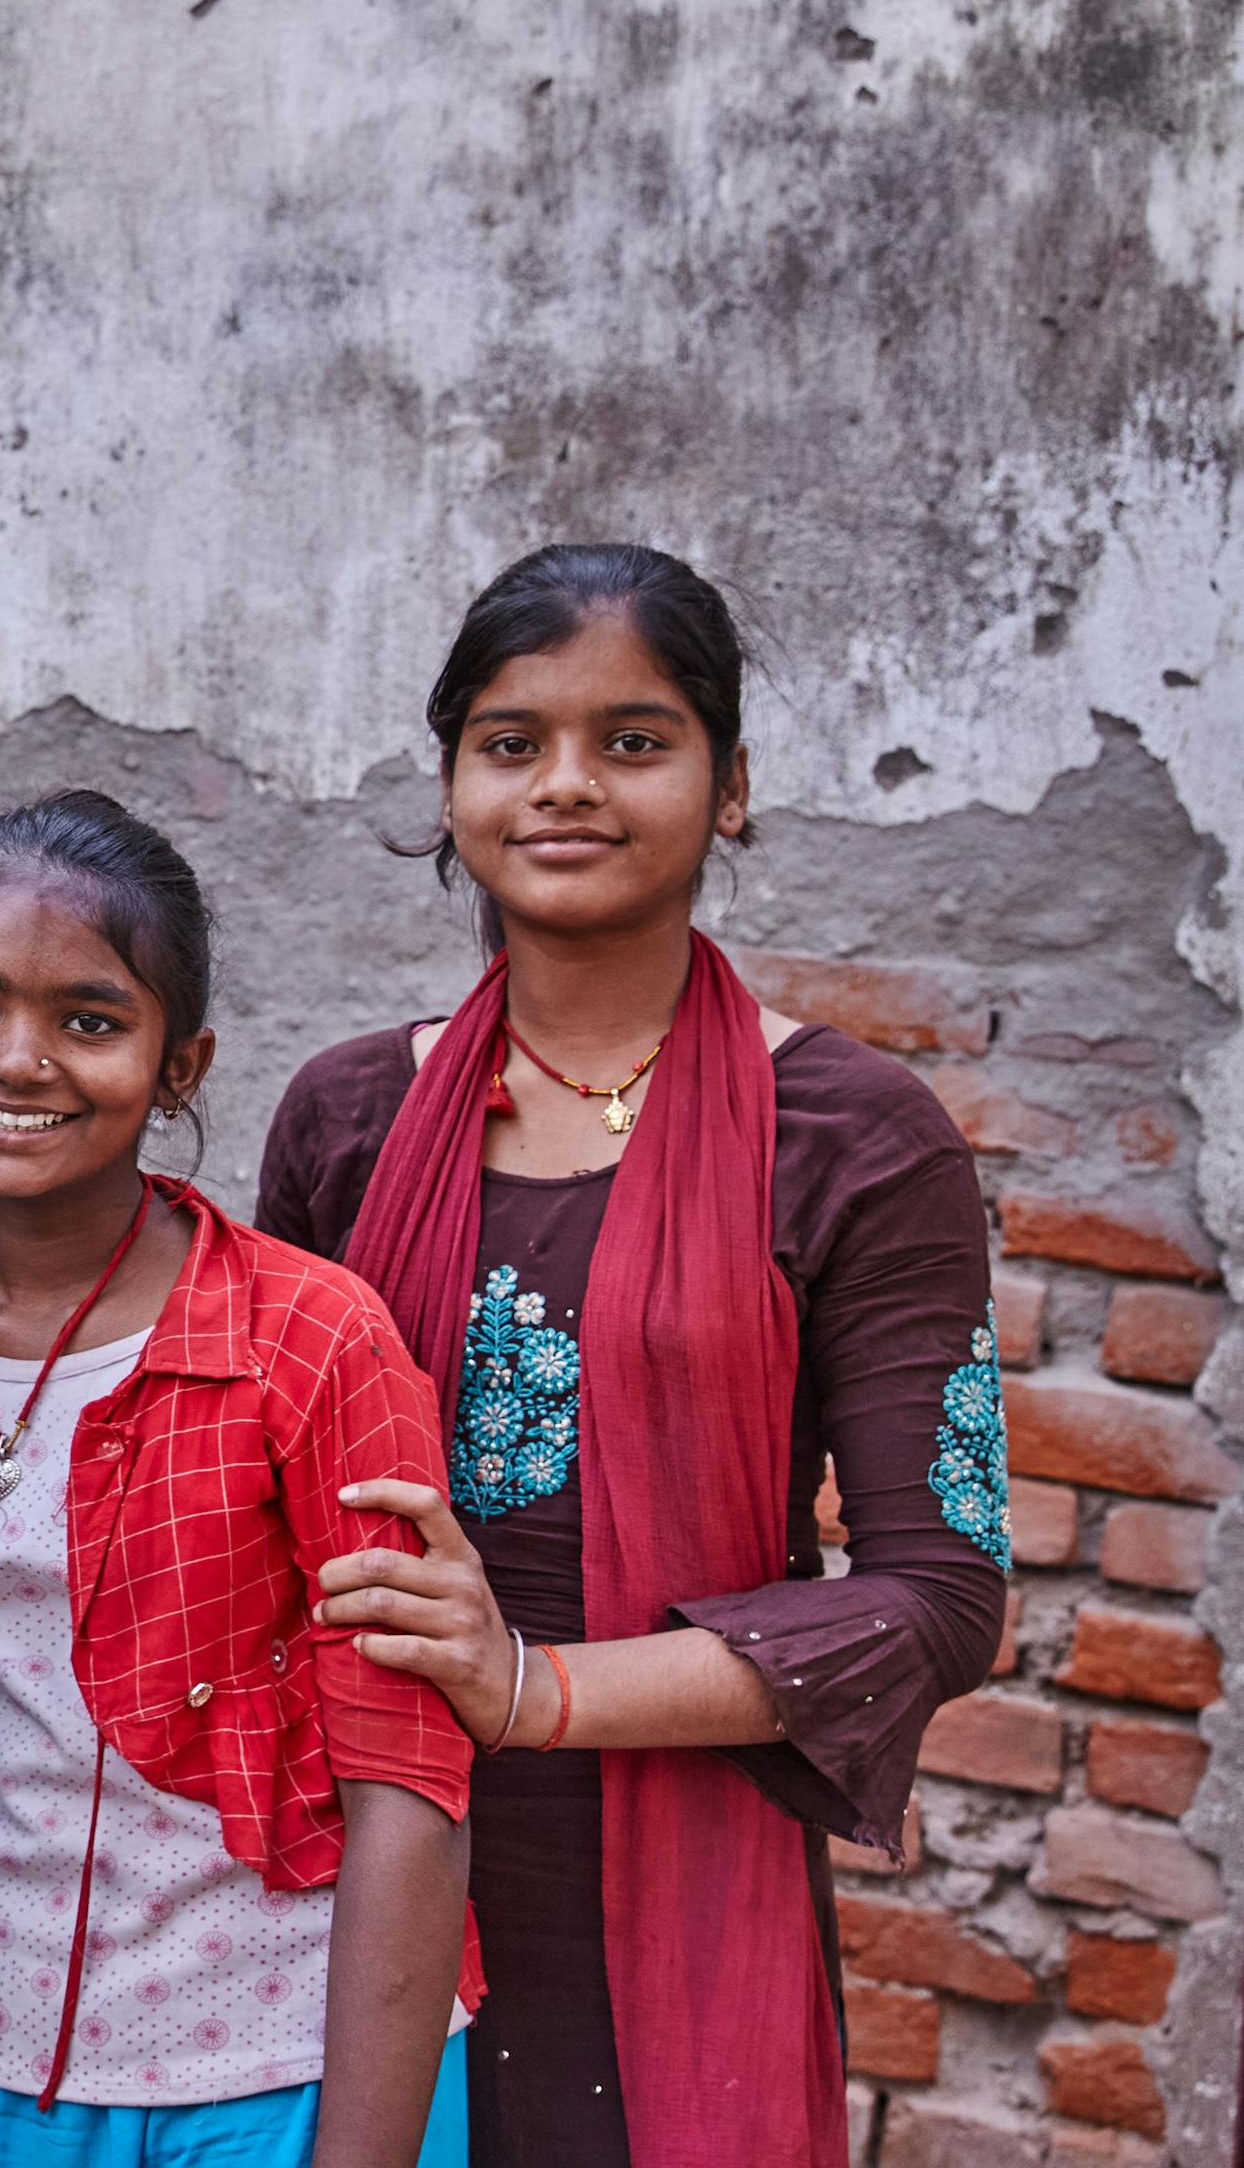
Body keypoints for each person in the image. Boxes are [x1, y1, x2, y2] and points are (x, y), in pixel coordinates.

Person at [254, 545, 1006, 2168]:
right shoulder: (346, 1116)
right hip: (364, 1872)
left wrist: (534, 1686)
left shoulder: (856, 1136)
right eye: (511, 741)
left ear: (730, 788)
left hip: (679, 1866)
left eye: (636, 739)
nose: (566, 785)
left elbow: (940, 1593)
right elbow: (254, 1489)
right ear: (452, 779)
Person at [0, 792, 472, 2168]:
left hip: (277, 2071)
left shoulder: (308, 1341)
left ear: (184, 1064)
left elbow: (408, 1786)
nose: (20, 1060)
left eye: (92, 1021)